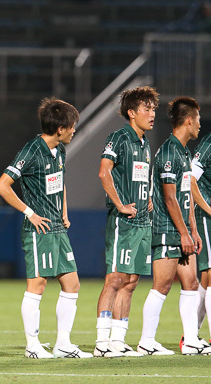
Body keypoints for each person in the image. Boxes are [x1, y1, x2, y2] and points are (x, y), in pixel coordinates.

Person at [0, 97, 92, 359]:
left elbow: (59, 182)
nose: (74, 130)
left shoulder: (59, 149)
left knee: (72, 285)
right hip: (38, 231)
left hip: (58, 228)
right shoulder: (31, 151)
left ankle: (63, 344)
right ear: (60, 128)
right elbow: (2, 185)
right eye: (72, 126)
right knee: (37, 285)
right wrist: (29, 213)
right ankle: (32, 346)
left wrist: (63, 211)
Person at [138, 96, 211, 356]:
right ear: (189, 120)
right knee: (163, 285)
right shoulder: (169, 151)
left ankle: (191, 340)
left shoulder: (184, 151)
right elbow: (169, 198)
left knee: (191, 283)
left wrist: (193, 230)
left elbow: (186, 196)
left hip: (182, 230)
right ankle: (147, 341)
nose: (200, 125)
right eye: (198, 119)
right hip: (166, 229)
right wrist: (183, 232)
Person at [93, 87, 158, 358]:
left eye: (153, 109)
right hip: (124, 221)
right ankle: (101, 341)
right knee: (115, 278)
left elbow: (141, 176)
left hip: (143, 221)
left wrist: (149, 197)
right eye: (147, 109)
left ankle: (118, 340)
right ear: (132, 113)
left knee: (131, 281)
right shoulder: (119, 137)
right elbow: (103, 171)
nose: (153, 114)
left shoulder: (144, 143)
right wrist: (120, 204)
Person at [191, 106, 211, 345]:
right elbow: (191, 179)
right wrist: (207, 209)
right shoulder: (208, 144)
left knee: (206, 280)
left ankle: (191, 333)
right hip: (206, 217)